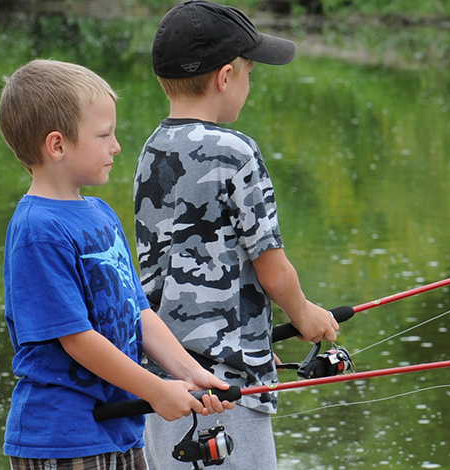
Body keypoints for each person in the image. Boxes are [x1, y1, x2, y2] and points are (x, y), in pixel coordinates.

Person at [134, 2, 341, 468]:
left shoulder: (150, 150)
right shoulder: (237, 152)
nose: (249, 84)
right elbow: (272, 268)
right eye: (250, 73)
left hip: (162, 384)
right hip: (230, 390)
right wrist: (305, 314)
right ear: (225, 77)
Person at [0, 58, 232, 470]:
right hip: (62, 439)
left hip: (121, 431)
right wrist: (156, 390)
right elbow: (77, 339)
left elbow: (138, 313)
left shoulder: (101, 214)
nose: (117, 145)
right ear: (57, 145)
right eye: (104, 135)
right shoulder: (38, 230)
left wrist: (190, 373)